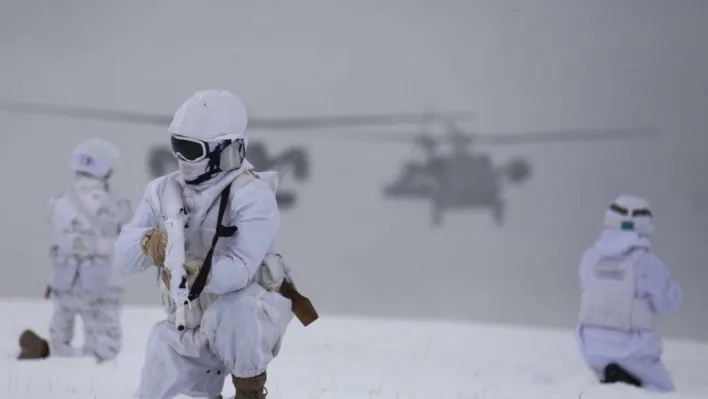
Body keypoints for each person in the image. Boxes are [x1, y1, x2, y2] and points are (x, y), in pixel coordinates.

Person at [112, 89, 317, 399]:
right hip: (186, 321)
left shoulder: (252, 195)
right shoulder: (163, 191)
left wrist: (195, 274)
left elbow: (241, 269)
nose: (181, 158)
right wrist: (148, 244)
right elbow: (122, 256)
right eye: (177, 146)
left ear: (225, 150)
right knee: (159, 358)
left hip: (248, 321)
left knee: (235, 311)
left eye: (191, 150)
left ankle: (249, 390)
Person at [18, 138, 132, 363]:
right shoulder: (113, 203)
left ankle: (58, 356)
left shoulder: (60, 201)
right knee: (104, 336)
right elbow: (124, 230)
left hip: (64, 276)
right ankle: (91, 361)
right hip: (101, 279)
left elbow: (58, 242)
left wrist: (52, 279)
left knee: (62, 326)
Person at [576, 194, 682, 392]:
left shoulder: (589, 258)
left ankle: (612, 381)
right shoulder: (646, 263)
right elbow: (665, 303)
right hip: (633, 348)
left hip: (590, 347)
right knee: (664, 389)